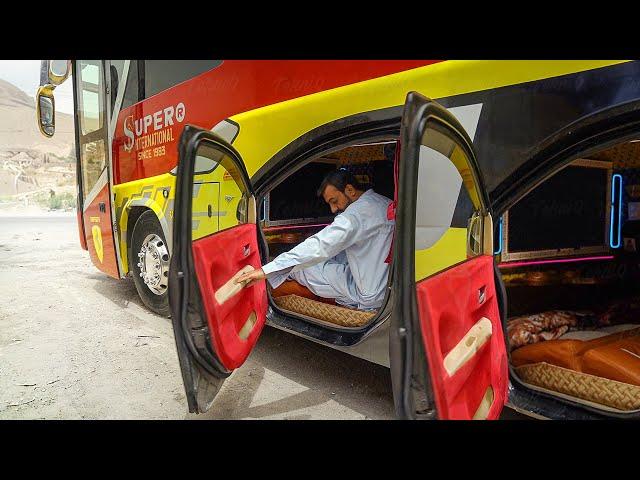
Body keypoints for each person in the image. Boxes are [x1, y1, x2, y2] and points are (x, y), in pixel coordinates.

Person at [236, 168, 394, 310]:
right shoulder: (384, 203)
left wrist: (266, 270)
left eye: (334, 201)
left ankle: (265, 291)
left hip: (369, 295)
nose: (333, 209)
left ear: (350, 190)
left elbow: (319, 246)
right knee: (324, 259)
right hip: (388, 288)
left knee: (303, 268)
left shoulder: (355, 215)